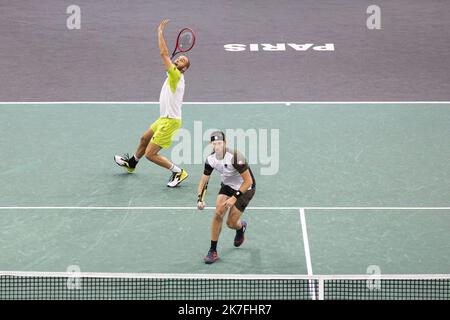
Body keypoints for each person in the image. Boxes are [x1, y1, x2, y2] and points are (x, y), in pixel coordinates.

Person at [114, 19, 189, 187]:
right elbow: (166, 57)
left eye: (183, 60)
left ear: (183, 68)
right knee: (144, 139)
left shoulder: (176, 75)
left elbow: (163, 53)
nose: (180, 59)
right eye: (180, 57)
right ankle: (132, 163)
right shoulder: (173, 75)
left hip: (170, 122)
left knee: (150, 154)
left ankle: (178, 171)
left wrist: (160, 32)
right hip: (164, 118)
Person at [197, 131, 256, 264]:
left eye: (220, 143)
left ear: (225, 143)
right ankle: (213, 250)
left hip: (245, 189)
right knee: (218, 213)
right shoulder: (210, 159)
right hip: (228, 185)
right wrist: (200, 199)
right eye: (215, 143)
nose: (217, 146)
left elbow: (249, 181)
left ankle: (240, 228)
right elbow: (203, 181)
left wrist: (234, 198)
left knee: (230, 223)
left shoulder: (235, 157)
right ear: (211, 144)